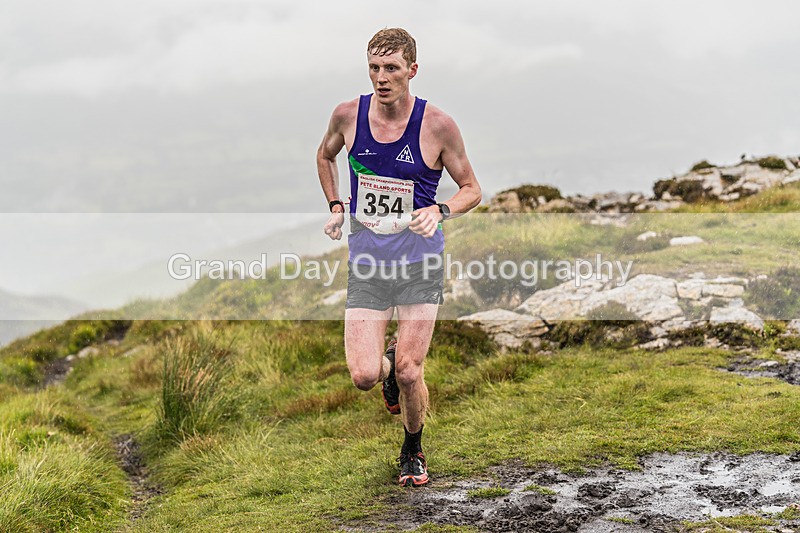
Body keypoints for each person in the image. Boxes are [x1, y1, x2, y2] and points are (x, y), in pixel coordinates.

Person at [316, 27, 481, 487]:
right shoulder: (348, 115)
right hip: (368, 262)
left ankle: (413, 448)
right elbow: (324, 156)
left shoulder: (437, 125)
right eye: (374, 68)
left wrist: (440, 209)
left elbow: (473, 189)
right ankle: (385, 364)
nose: (381, 78)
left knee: (411, 371)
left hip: (420, 262)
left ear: (412, 70)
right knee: (365, 376)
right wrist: (335, 205)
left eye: (391, 68)